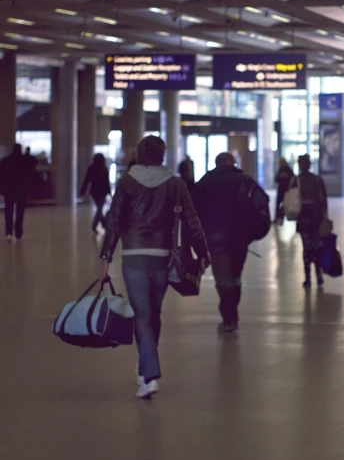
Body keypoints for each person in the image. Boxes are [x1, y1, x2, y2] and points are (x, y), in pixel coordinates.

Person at [99, 136, 209, 399]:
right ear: (163, 154)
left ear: (139, 154)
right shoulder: (175, 184)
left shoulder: (126, 182)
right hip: (163, 257)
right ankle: (146, 368)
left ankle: (147, 374)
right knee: (152, 314)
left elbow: (113, 221)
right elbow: (191, 219)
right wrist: (203, 253)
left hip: (134, 256)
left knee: (144, 315)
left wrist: (105, 257)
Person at [192, 152, 254, 332]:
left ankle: (229, 315)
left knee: (223, 278)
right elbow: (259, 207)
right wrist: (251, 233)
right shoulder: (244, 180)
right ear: (229, 162)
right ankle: (230, 311)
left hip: (215, 237)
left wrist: (197, 239)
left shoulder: (205, 182)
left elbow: (193, 211)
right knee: (235, 276)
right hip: (240, 238)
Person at [294, 154, 328, 287]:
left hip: (303, 218)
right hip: (316, 217)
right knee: (316, 245)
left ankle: (307, 277)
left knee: (306, 247)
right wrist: (325, 216)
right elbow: (324, 199)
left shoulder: (296, 180)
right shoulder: (317, 180)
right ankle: (318, 275)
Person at [0, 143, 34, 242]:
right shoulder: (25, 162)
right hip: (21, 191)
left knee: (9, 212)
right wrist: (29, 191)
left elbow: (1, 177)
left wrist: (2, 190)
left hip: (9, 191)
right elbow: (29, 177)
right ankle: (18, 232)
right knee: (20, 212)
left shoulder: (5, 161)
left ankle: (8, 233)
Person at [80, 153, 112, 234]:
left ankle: (103, 225)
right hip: (102, 192)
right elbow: (106, 182)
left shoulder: (92, 168)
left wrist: (82, 190)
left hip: (94, 192)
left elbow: (86, 180)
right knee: (99, 209)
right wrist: (109, 193)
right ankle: (96, 226)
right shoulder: (104, 168)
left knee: (99, 209)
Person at [274, 157, 293, 223]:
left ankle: (280, 217)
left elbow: (291, 178)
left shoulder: (287, 169)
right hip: (282, 189)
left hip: (285, 189)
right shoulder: (281, 169)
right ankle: (278, 217)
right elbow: (276, 179)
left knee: (285, 204)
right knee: (279, 204)